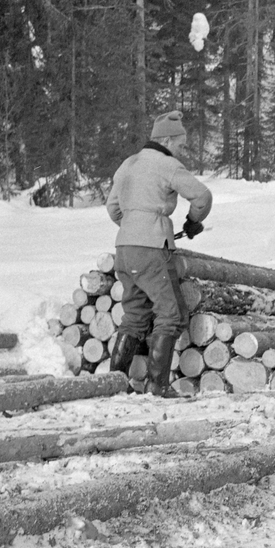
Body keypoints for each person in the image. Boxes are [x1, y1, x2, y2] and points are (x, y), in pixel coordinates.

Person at [105, 111, 212, 396]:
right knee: (171, 314)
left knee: (135, 315)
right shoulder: (167, 165)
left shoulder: (127, 164)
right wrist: (192, 222)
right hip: (152, 250)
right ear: (166, 139)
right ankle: (158, 386)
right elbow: (202, 197)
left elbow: (113, 209)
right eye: (180, 143)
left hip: (124, 249)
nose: (181, 149)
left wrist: (133, 226)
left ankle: (113, 382)